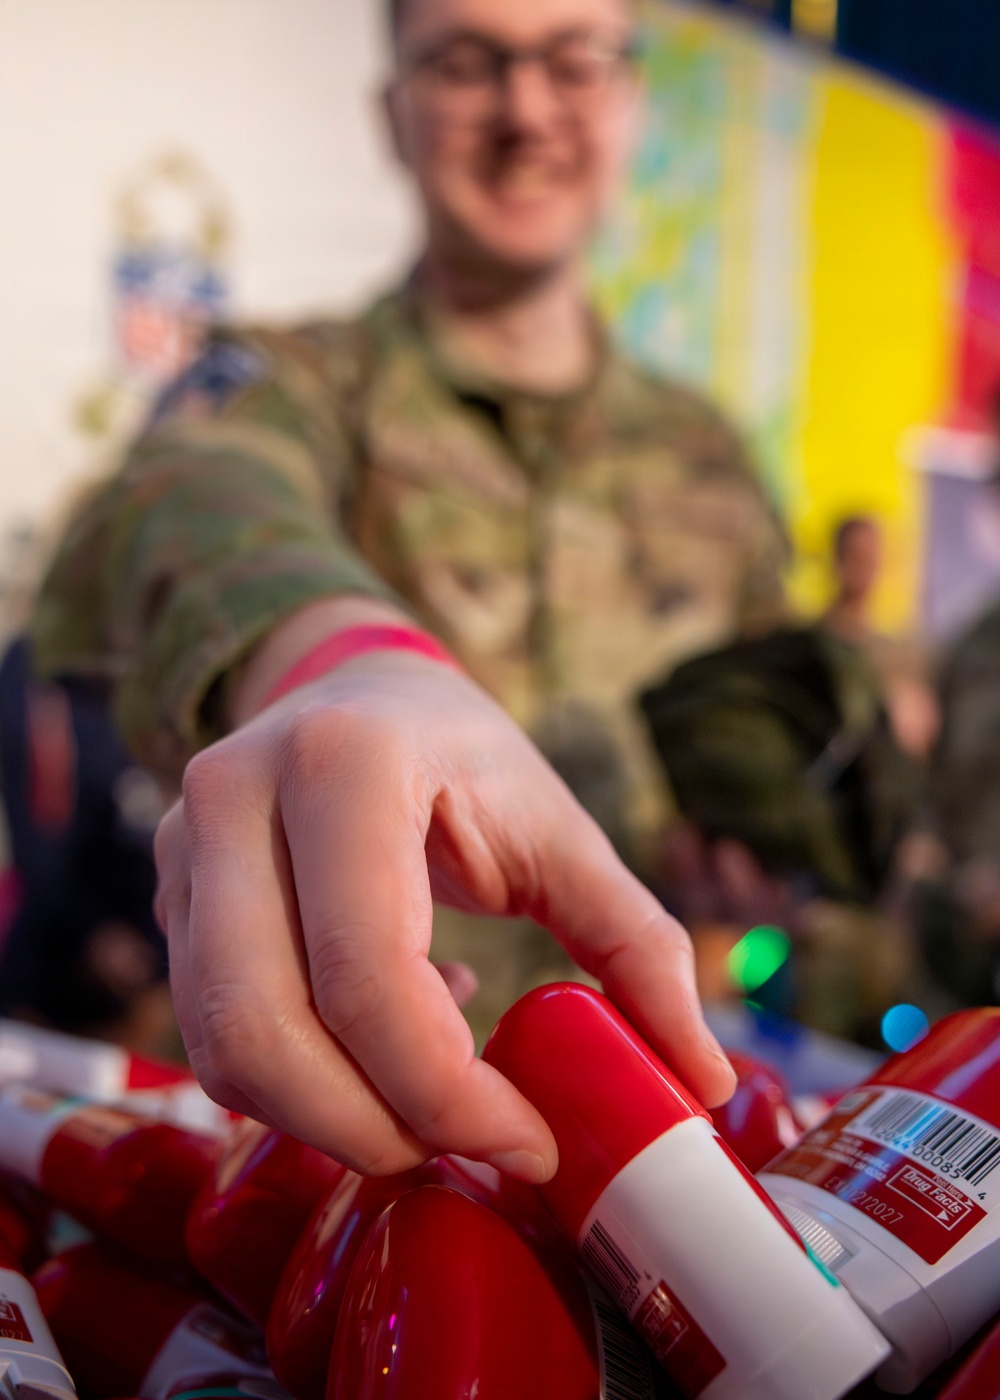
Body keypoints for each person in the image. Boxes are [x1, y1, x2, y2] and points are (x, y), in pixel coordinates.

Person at [28, 0, 788, 1178]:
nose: (526, 111)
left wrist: (740, 859)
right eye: (466, 62)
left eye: (571, 59)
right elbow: (183, 490)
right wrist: (349, 659)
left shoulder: (716, 467)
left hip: (637, 1146)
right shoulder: (291, 383)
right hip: (318, 1146)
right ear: (394, 112)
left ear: (630, 98)